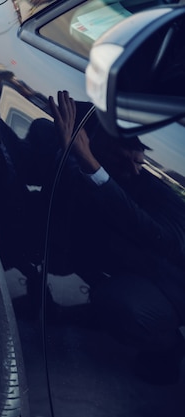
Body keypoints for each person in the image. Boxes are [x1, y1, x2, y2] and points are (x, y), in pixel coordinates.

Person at [50, 90, 185, 385]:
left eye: (140, 155)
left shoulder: (165, 179)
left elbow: (159, 237)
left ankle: (167, 341)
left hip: (172, 281)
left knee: (119, 304)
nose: (136, 162)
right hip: (134, 258)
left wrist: (88, 160)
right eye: (132, 151)